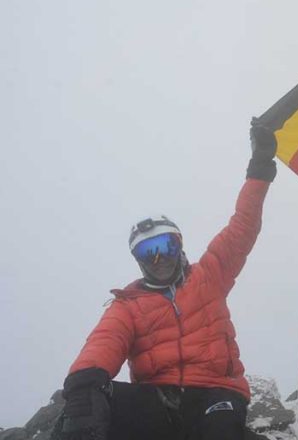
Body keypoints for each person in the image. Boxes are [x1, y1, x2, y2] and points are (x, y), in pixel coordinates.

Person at [52, 119, 278, 440]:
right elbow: (105, 341)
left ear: (179, 245)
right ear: (138, 260)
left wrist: (260, 168)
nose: (159, 260)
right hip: (160, 400)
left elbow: (243, 226)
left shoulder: (209, 275)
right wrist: (84, 381)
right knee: (87, 403)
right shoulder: (128, 305)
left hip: (216, 392)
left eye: (165, 247)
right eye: (148, 252)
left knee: (220, 431)